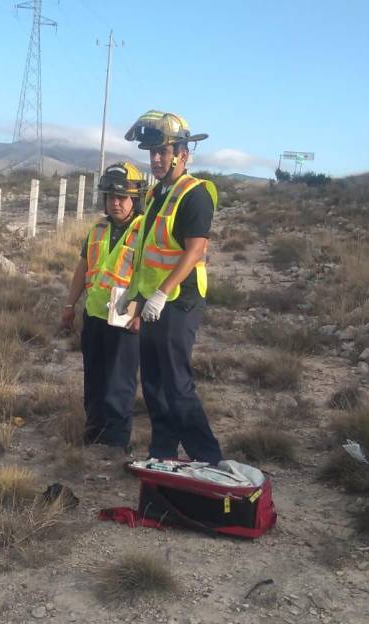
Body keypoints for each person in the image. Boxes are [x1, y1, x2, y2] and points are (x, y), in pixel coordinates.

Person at [122, 110, 223, 465]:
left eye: (164, 152)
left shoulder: (195, 194)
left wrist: (162, 293)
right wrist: (135, 296)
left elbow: (195, 249)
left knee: (177, 385)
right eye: (152, 153)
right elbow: (148, 251)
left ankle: (208, 460)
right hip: (152, 303)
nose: (156, 159)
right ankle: (162, 453)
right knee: (152, 384)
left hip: (179, 301)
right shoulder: (154, 194)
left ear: (183, 153)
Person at [60, 161, 147, 456]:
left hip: (125, 318)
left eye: (122, 197)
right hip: (95, 315)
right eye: (111, 197)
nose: (116, 203)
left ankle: (115, 442)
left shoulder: (144, 231)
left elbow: (151, 276)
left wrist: (140, 312)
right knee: (94, 379)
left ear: (135, 199)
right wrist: (70, 305)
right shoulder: (97, 229)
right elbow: (83, 268)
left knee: (119, 383)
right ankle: (94, 432)